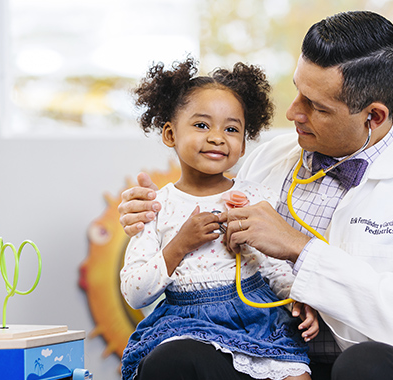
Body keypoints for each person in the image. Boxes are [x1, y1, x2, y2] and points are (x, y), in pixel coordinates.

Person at [119, 11, 393, 380]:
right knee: (176, 361)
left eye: (317, 106)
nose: (293, 111)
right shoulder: (269, 159)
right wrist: (148, 215)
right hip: (269, 349)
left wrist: (299, 247)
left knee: (365, 367)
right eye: (298, 90)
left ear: (373, 116)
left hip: (373, 363)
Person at [119, 57, 317, 380]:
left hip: (255, 323)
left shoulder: (255, 197)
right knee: (175, 362)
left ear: (243, 144)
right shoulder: (156, 207)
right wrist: (179, 245)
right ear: (170, 134)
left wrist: (298, 299)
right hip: (187, 324)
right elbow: (134, 291)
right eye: (201, 125)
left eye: (231, 129)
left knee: (297, 375)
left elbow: (274, 265)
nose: (217, 137)